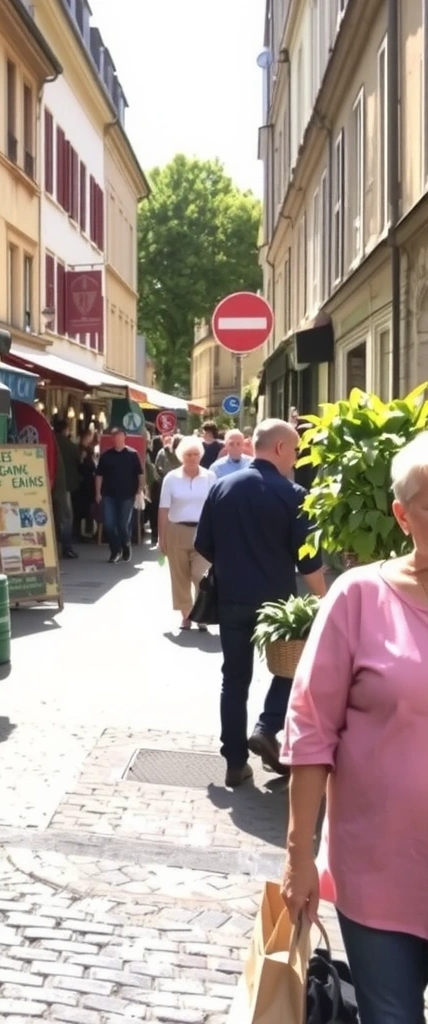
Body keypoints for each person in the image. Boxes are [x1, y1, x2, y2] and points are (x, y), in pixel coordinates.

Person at [281, 431, 428, 1023]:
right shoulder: (360, 596)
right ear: (402, 514)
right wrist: (298, 857)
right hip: (378, 874)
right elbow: (311, 729)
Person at [194, 418, 327, 788]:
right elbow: (309, 561)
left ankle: (235, 762)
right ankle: (268, 727)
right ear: (281, 448)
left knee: (234, 678)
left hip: (232, 597)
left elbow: (203, 546)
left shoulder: (222, 487)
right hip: (279, 607)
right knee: (292, 670)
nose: (297, 459)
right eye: (296, 450)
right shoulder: (293, 494)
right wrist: (324, 599)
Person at [158, 437, 216, 631]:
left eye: (196, 454)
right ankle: (186, 615)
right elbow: (163, 509)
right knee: (180, 577)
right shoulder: (171, 478)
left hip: (203, 531)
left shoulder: (210, 477)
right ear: (181, 456)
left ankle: (202, 614)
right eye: (188, 455)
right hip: (177, 531)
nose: (192, 458)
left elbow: (216, 506)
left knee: (200, 574)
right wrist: (162, 537)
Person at [95, 426, 144, 564]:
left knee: (123, 524)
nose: (116, 438)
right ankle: (115, 550)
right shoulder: (106, 455)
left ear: (124, 437)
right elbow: (99, 475)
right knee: (109, 524)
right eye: (114, 436)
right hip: (108, 494)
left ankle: (126, 544)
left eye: (119, 435)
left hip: (127, 495)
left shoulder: (132, 454)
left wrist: (139, 490)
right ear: (112, 438)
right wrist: (98, 492)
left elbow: (140, 474)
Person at [53, 419, 79, 559]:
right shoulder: (69, 445)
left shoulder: (49, 440)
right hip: (64, 485)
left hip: (50, 483)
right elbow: (77, 458)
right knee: (66, 516)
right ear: (65, 430)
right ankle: (67, 547)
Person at [73, 429, 97, 542]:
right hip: (84, 484)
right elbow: (82, 465)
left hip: (86, 483)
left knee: (84, 509)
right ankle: (80, 533)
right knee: (81, 509)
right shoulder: (81, 450)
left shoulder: (87, 449)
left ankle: (84, 532)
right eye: (89, 436)